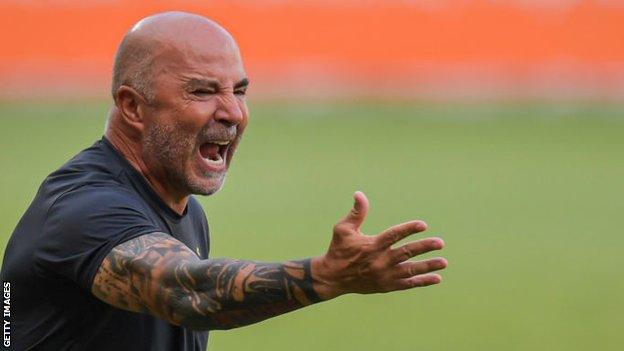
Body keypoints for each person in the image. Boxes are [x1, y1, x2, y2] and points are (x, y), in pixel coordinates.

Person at [0, 11, 447, 351]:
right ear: (133, 108)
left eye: (240, 90)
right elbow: (190, 291)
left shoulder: (185, 211)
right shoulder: (84, 208)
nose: (233, 112)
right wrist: (325, 277)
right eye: (202, 91)